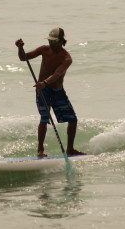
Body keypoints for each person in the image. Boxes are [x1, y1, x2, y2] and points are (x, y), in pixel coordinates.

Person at [15, 27, 86, 157]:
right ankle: (40, 150)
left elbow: (57, 75)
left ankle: (70, 149)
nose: (51, 44)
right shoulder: (44, 50)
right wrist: (20, 48)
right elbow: (24, 58)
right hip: (43, 90)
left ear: (61, 41)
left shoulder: (66, 58)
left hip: (57, 91)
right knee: (44, 118)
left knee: (73, 119)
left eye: (54, 41)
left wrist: (45, 82)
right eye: (50, 41)